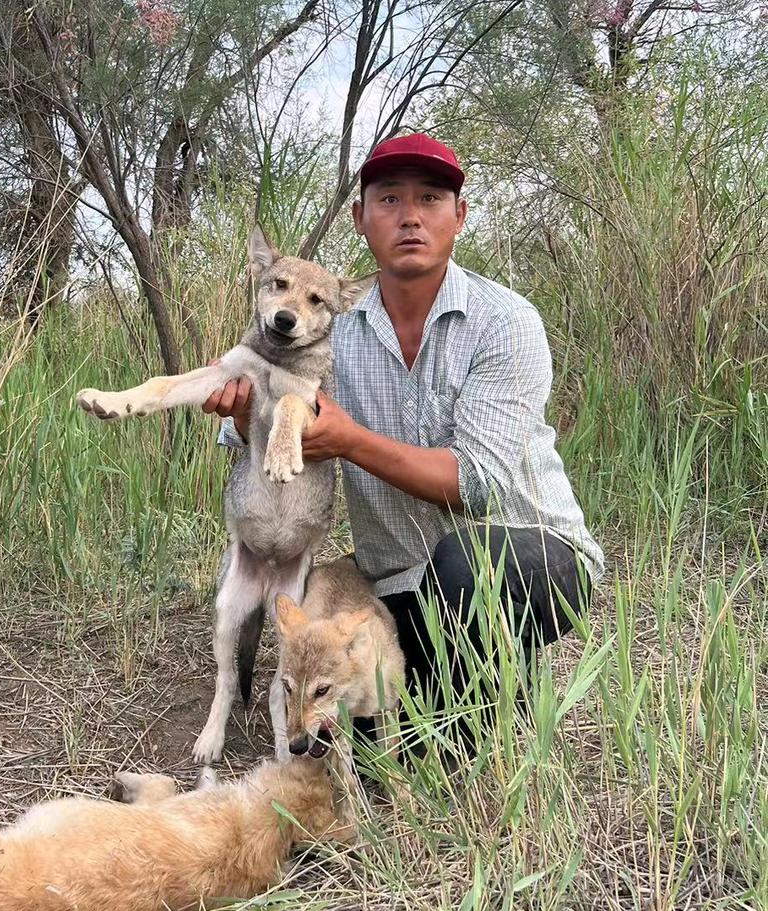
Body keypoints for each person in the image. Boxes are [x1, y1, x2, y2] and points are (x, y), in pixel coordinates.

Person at [204, 133, 604, 753]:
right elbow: (262, 431)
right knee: (354, 736)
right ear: (362, 218)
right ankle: (444, 691)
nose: (411, 215)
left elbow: (478, 483)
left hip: (530, 558)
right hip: (397, 581)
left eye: (431, 198)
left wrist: (351, 442)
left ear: (459, 216)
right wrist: (238, 420)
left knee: (465, 577)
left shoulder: (507, 322)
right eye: (389, 198)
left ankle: (487, 699)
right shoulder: (325, 325)